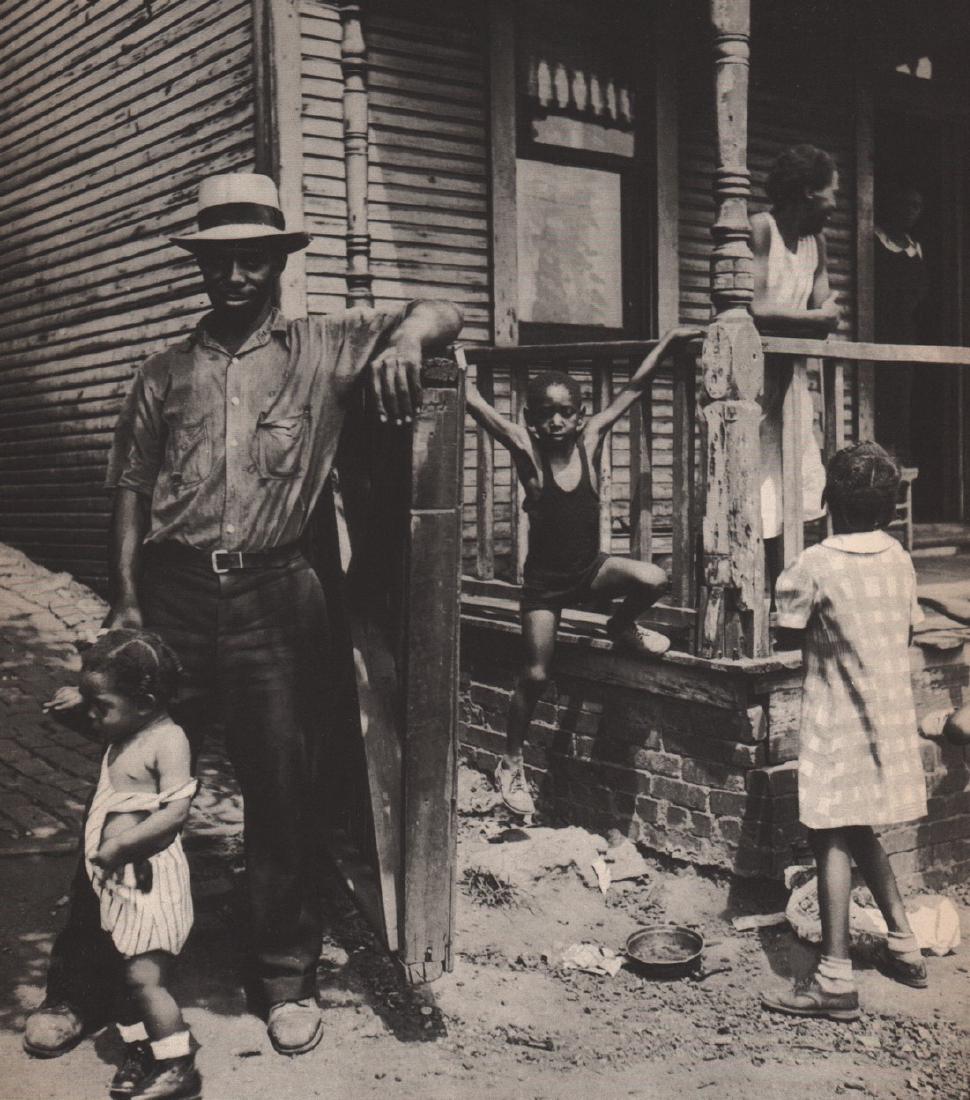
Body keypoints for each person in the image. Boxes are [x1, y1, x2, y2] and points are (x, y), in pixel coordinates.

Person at [24, 172, 463, 1060]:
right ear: (202, 265)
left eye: (252, 259)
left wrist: (408, 340)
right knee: (128, 788)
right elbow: (132, 493)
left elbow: (441, 307)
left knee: (282, 790)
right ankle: (82, 979)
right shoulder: (163, 373)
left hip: (276, 593)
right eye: (219, 260)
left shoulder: (326, 347)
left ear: (278, 263)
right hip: (174, 593)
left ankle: (284, 978)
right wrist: (127, 598)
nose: (235, 276)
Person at [466, 326, 701, 816]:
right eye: (545, 414)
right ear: (531, 421)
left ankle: (621, 625)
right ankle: (510, 763)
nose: (556, 422)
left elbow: (634, 389)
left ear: (580, 415)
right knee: (534, 674)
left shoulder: (591, 442)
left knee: (655, 578)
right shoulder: (528, 454)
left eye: (565, 412)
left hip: (590, 571)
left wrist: (668, 340)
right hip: (546, 586)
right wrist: (457, 365)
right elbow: (480, 410)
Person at [762, 442, 929, 1022]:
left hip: (836, 717)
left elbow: (787, 633)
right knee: (860, 829)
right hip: (884, 716)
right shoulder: (900, 557)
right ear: (889, 506)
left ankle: (834, 977)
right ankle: (905, 945)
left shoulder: (816, 562)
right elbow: (908, 629)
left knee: (828, 832)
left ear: (828, 501)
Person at [38, 630, 200, 1100]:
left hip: (149, 882)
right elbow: (105, 720)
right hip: (118, 885)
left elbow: (174, 813)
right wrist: (84, 698)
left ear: (146, 702)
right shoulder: (124, 724)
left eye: (99, 704)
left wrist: (122, 845)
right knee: (120, 975)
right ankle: (142, 1050)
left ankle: (178, 1064)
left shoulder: (167, 740)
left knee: (145, 978)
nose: (92, 714)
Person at [751, 144, 840, 580]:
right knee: (753, 481)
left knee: (795, 479)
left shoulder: (815, 243)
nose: (835, 204)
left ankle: (785, 589)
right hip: (752, 379)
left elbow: (828, 313)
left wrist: (816, 318)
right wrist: (815, 318)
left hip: (792, 377)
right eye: (831, 193)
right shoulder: (761, 230)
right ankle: (751, 587)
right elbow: (754, 310)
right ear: (807, 192)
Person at [874, 180, 929, 463]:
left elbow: (921, 292)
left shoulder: (915, 248)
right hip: (878, 330)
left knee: (902, 397)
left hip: (905, 332)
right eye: (904, 204)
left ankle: (896, 461)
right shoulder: (875, 239)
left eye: (916, 206)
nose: (910, 211)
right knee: (879, 394)